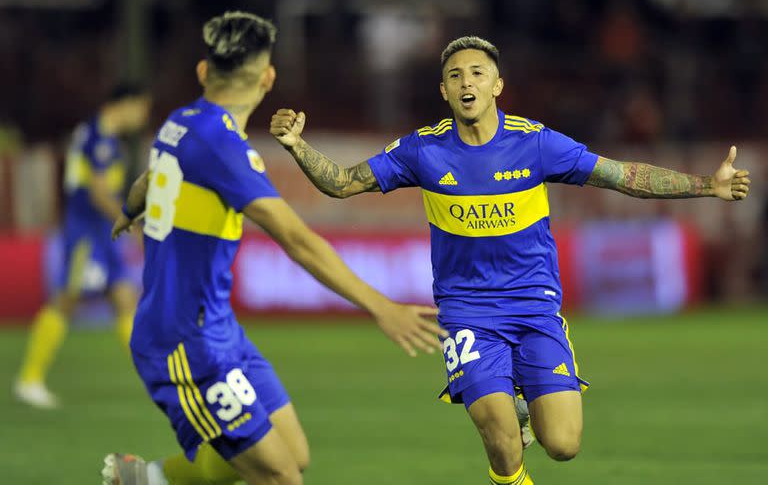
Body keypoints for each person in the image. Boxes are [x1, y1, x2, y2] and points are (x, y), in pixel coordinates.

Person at [269, 36, 752, 485]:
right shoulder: (423, 150)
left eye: (477, 73)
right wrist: (297, 147)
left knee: (563, 444)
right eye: (455, 75)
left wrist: (707, 186)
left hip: (535, 307)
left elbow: (621, 175)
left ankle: (524, 401)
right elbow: (341, 182)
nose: (467, 83)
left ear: (497, 85)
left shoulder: (536, 143)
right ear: (443, 90)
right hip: (467, 313)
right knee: (499, 438)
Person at [101, 11, 444, 485]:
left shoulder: (181, 122)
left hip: (218, 328)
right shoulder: (224, 149)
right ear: (268, 78)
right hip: (184, 341)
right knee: (280, 476)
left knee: (293, 454)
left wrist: (130, 208)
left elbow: (150, 176)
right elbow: (297, 240)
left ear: (204, 71)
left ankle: (146, 479)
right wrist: (381, 306)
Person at [14, 83, 150, 409]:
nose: (143, 116)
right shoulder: (101, 138)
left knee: (124, 296)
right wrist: (129, 220)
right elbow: (99, 193)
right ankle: (29, 379)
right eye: (142, 107)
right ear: (126, 104)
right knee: (66, 299)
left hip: (100, 231)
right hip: (87, 232)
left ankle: (154, 378)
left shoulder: (93, 132)